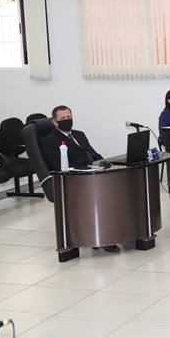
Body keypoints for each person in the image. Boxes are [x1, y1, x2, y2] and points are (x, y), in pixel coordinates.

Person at [41, 105, 120, 253]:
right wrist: (89, 167)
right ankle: (103, 237)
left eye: (69, 117)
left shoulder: (79, 134)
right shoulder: (50, 140)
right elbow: (59, 166)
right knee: (103, 196)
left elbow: (93, 153)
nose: (67, 120)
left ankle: (122, 231)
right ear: (55, 122)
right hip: (77, 179)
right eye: (63, 118)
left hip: (95, 172)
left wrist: (107, 164)